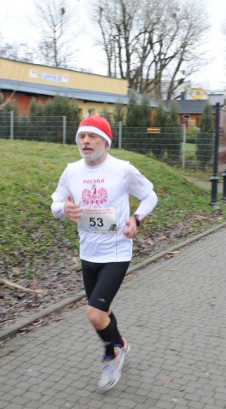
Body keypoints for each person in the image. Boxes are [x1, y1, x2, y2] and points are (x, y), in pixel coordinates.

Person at [50, 115, 158, 392]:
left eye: (92, 136)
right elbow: (56, 203)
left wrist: (136, 218)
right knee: (104, 310)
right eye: (81, 136)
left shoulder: (122, 169)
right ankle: (120, 342)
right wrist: (64, 210)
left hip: (117, 252)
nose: (85, 141)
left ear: (106, 141)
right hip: (89, 252)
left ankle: (112, 354)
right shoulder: (71, 171)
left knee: (94, 315)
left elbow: (150, 196)